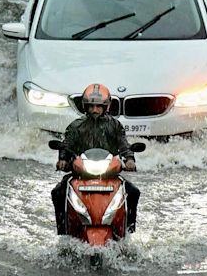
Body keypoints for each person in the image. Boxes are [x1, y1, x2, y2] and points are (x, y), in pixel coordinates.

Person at [51, 83, 140, 234]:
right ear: (85, 107)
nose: (95, 110)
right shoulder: (76, 126)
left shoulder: (115, 125)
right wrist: (63, 160)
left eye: (99, 106)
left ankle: (128, 230)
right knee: (58, 192)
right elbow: (66, 146)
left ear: (106, 107)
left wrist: (129, 160)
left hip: (109, 173)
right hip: (80, 173)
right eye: (91, 106)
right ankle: (64, 231)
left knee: (133, 192)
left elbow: (124, 145)